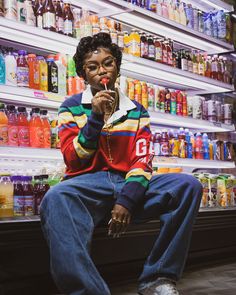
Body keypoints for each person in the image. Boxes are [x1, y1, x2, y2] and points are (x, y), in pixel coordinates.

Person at [40, 33, 203, 295]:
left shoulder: (137, 111)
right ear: (84, 74)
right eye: (92, 67)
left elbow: (142, 159)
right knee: (56, 196)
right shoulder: (70, 107)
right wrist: (94, 117)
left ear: (117, 66)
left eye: (107, 63)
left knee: (187, 185)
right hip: (88, 187)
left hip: (129, 185)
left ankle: (157, 278)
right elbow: (73, 158)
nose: (101, 71)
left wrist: (127, 200)